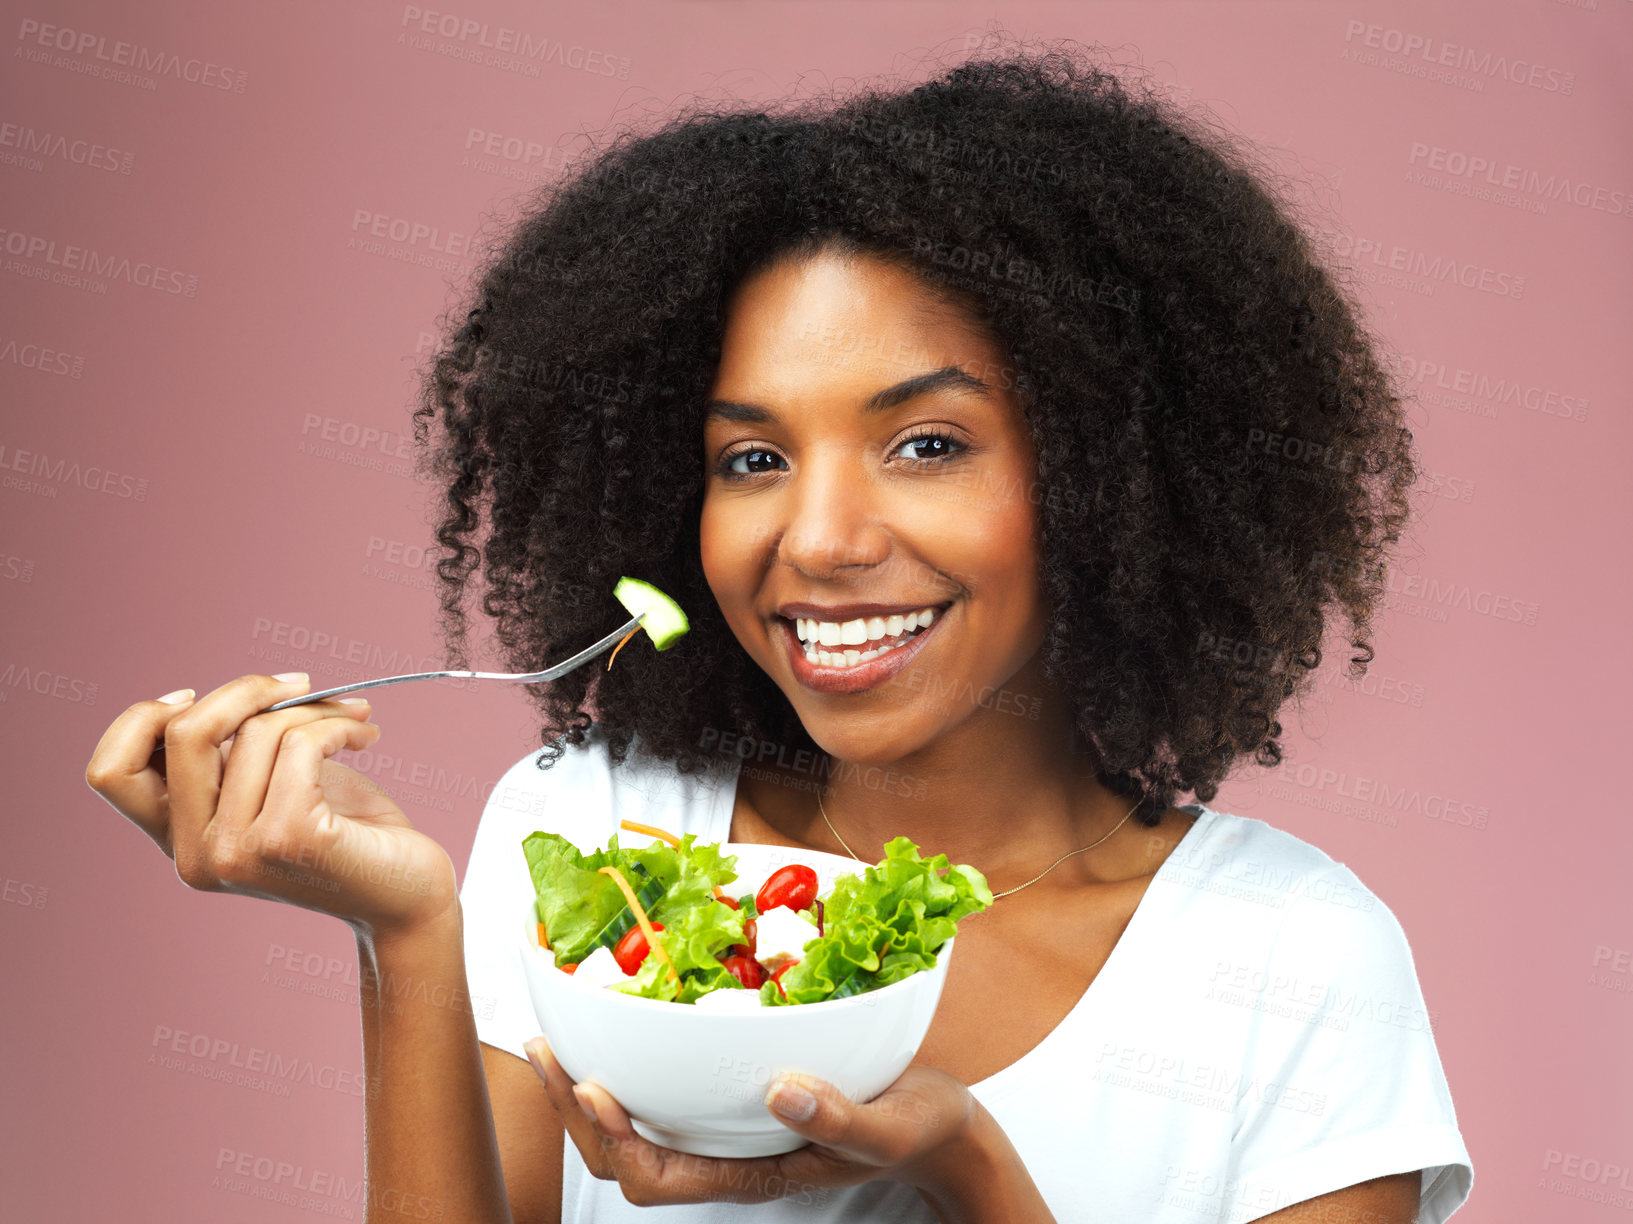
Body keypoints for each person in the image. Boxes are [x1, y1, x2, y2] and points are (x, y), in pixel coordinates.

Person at [86, 35, 1473, 1223]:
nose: (813, 540)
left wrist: (974, 1183)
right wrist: (405, 933)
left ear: (1114, 476)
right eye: (750, 460)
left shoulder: (1292, 960)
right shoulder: (602, 842)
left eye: (925, 442)